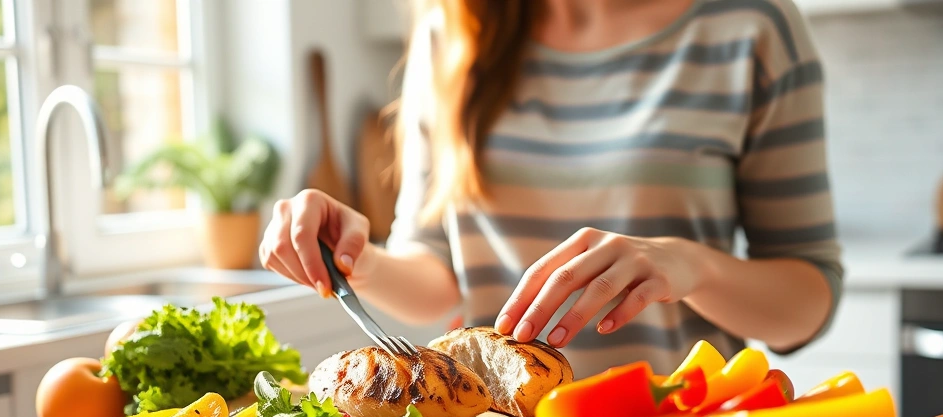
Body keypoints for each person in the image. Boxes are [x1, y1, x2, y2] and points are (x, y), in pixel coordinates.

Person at [259, 0, 842, 379]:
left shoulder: (753, 27)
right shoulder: (457, 27)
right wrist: (355, 260)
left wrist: (692, 266)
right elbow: (437, 280)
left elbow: (808, 301)